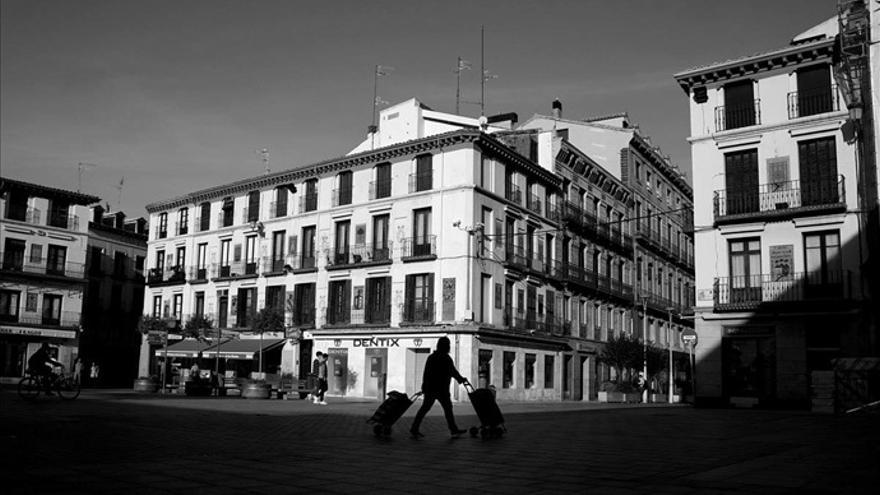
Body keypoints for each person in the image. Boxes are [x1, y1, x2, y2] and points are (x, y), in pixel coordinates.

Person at [409, 337, 468, 438]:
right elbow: (452, 371)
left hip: (431, 388)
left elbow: (426, 373)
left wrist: (424, 386)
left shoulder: (432, 357)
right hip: (442, 389)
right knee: (448, 409)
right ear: (446, 346)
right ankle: (453, 429)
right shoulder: (446, 358)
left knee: (425, 408)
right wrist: (461, 379)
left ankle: (414, 428)